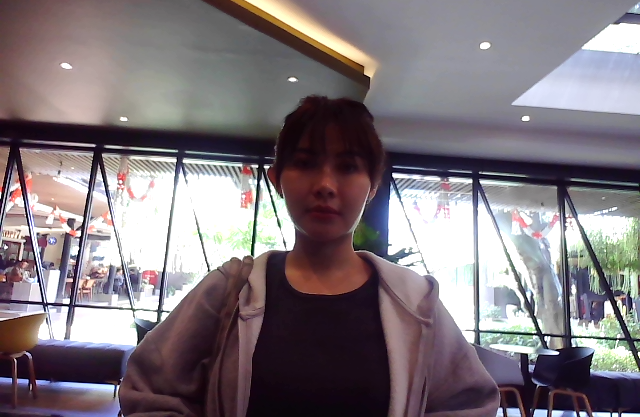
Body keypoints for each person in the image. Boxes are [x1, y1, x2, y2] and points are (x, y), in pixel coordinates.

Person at [119, 96, 499, 416]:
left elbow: (470, 403)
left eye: (347, 167)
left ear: (373, 186)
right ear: (277, 180)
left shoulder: (414, 301)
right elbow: (150, 388)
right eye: (304, 163)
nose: (325, 185)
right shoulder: (232, 290)